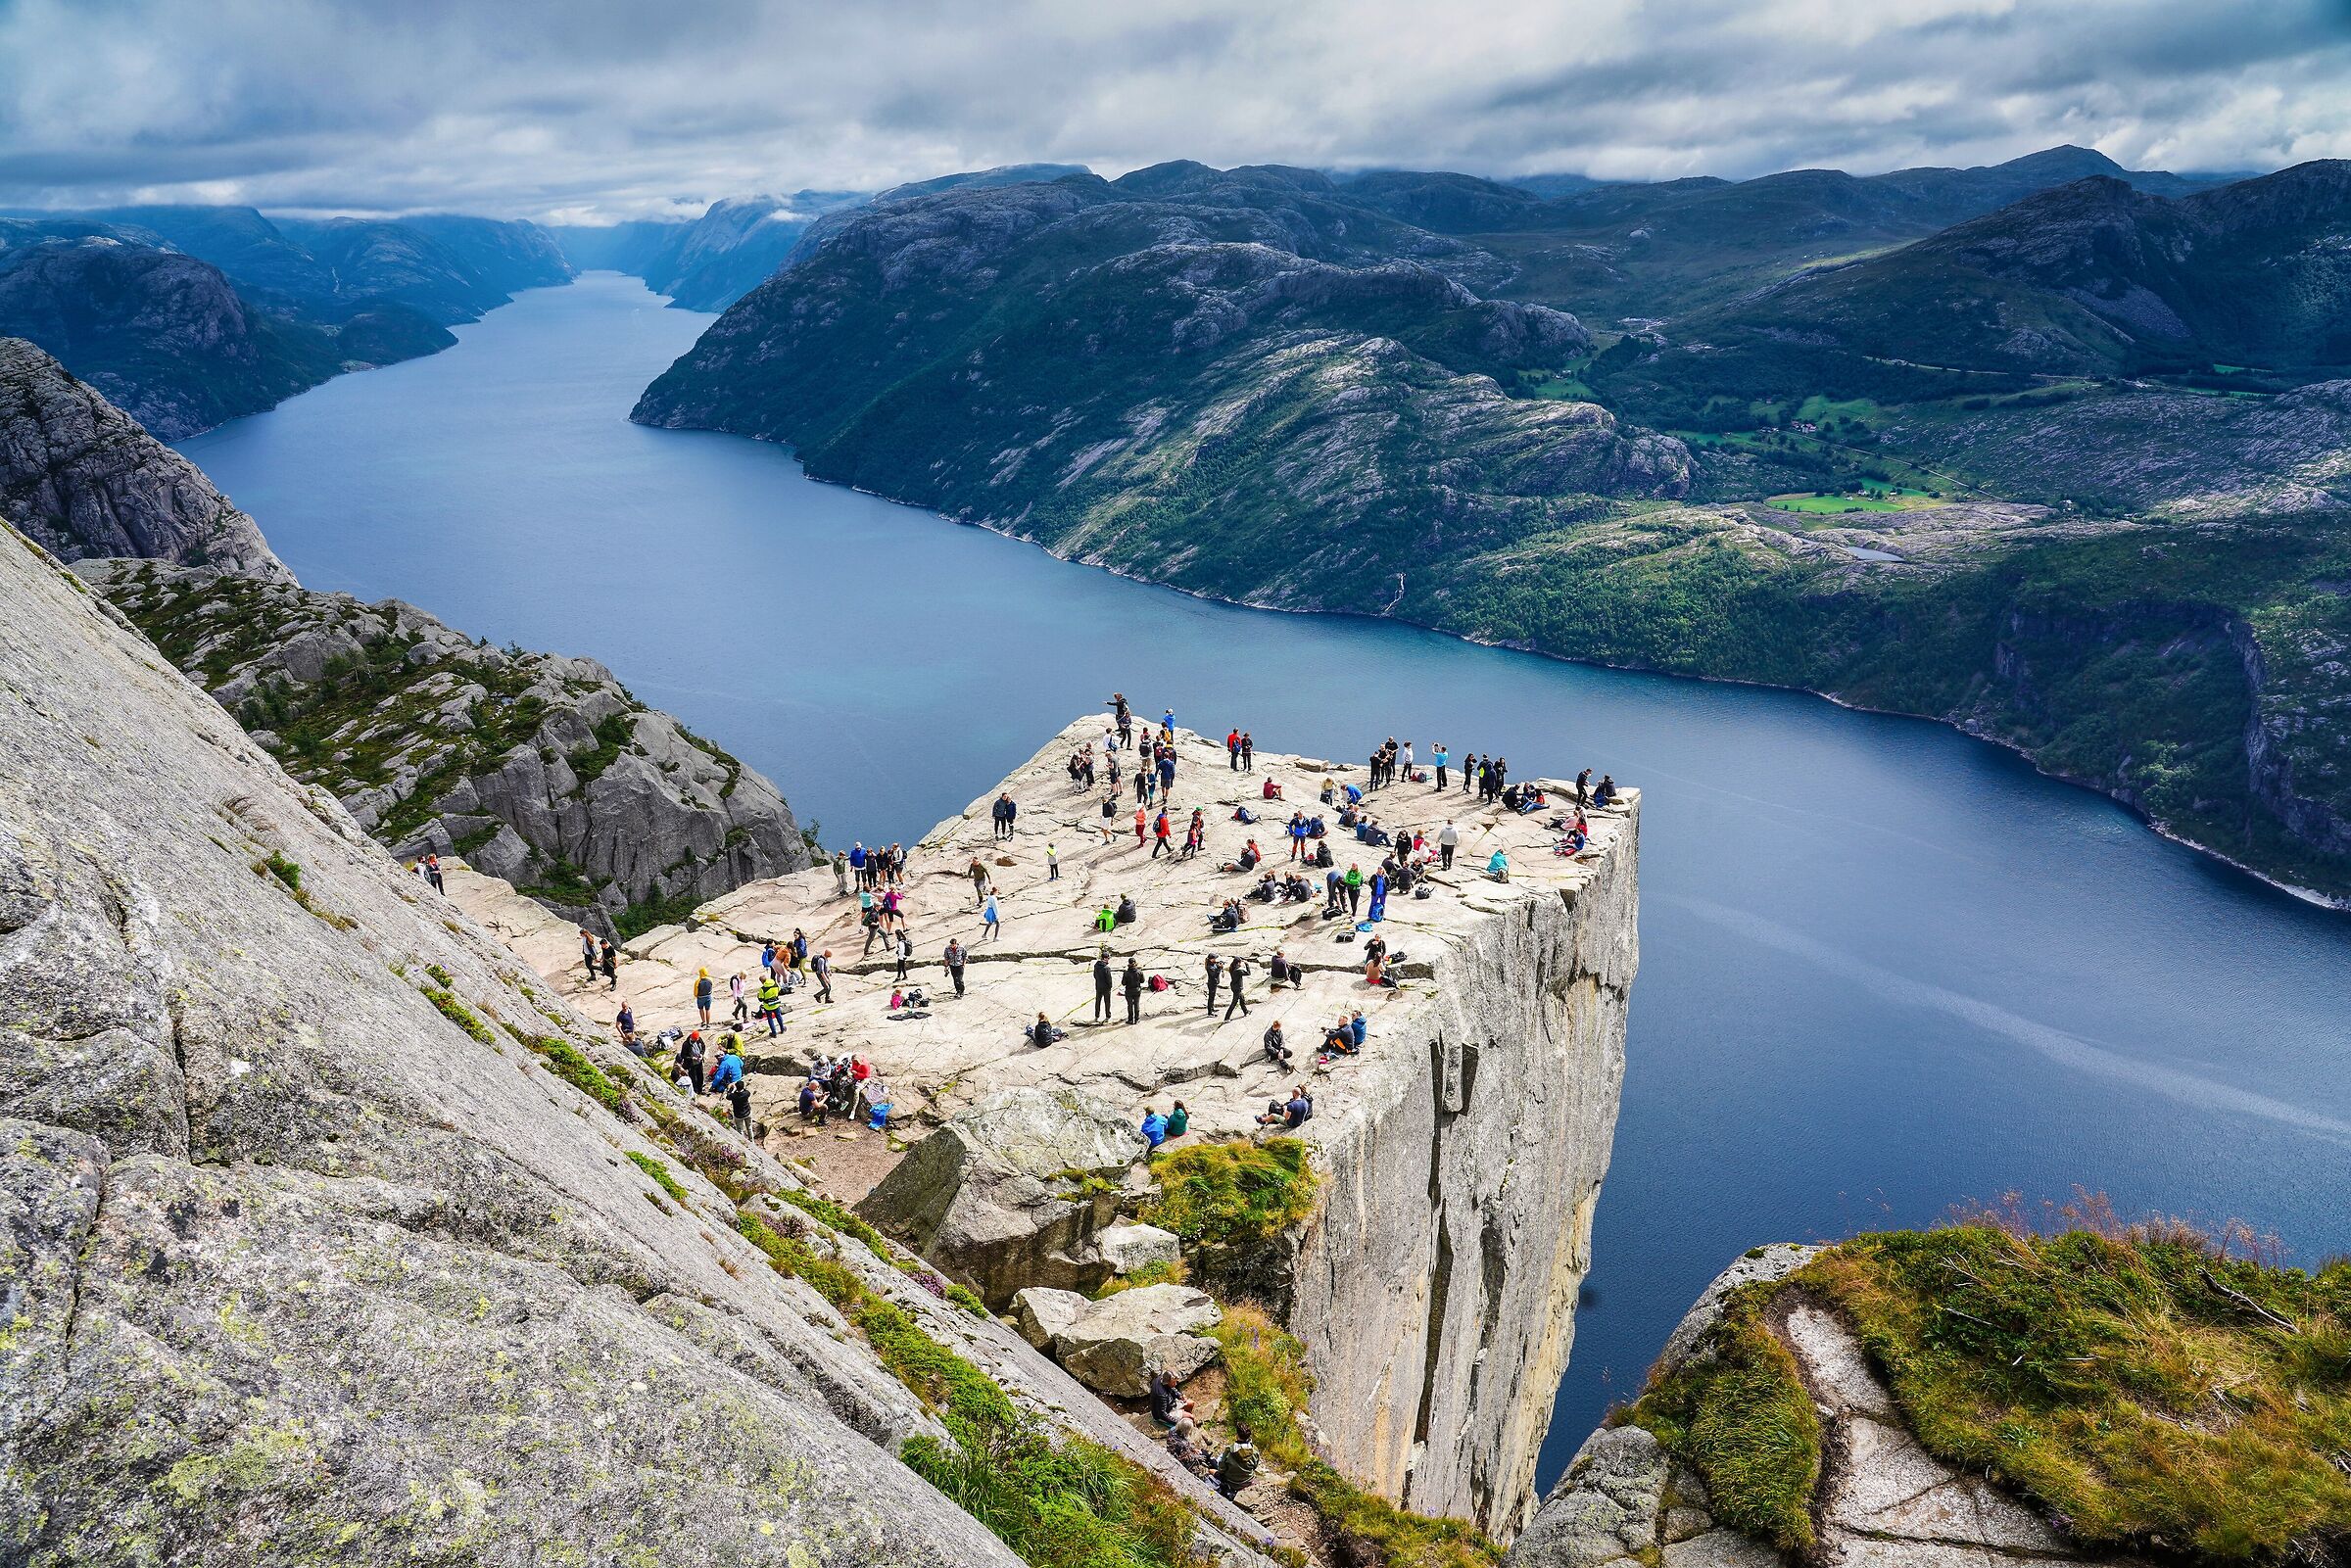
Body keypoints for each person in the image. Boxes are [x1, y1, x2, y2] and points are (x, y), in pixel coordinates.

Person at [1218, 1432, 1261, 1500]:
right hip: (1247, 1481)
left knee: (1212, 1468)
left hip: (1230, 1481)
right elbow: (1255, 1466)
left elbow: (1221, 1469)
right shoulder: (1255, 1450)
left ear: (1237, 1435)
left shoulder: (1229, 1449)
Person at [673, 1028, 707, 1094]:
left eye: (697, 1039)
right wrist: (692, 1058)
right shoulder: (686, 1044)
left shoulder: (699, 1040)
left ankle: (700, 1089)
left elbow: (703, 1047)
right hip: (691, 1064)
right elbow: (683, 1055)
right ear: (692, 1038)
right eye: (696, 1039)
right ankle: (695, 1091)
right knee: (693, 1078)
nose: (697, 1040)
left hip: (699, 1062)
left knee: (700, 1076)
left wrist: (701, 1054)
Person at [1223, 955, 1252, 1019]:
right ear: (1238, 963)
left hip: (1234, 987)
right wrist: (1247, 964)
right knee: (1234, 1003)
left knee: (1242, 999)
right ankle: (1226, 1018)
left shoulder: (1232, 968)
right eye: (1240, 963)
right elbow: (1248, 973)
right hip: (1237, 988)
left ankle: (1246, 1012)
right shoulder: (1238, 971)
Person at [1122, 957, 1146, 1023]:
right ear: (1135, 963)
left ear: (1128, 963)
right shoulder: (1139, 972)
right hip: (1137, 990)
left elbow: (1123, 983)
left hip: (1129, 991)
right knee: (1136, 1004)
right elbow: (1143, 981)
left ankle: (1130, 1019)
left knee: (1130, 1005)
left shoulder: (1126, 973)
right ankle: (1137, 1019)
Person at [1093, 949, 1115, 1021]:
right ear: (1105, 959)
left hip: (1098, 986)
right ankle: (1108, 1016)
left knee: (1098, 1002)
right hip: (1106, 988)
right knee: (1107, 1002)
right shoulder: (1106, 968)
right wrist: (1110, 986)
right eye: (1108, 958)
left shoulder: (1096, 965)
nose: (1108, 960)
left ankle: (1097, 1016)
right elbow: (1109, 979)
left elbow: (1094, 975)